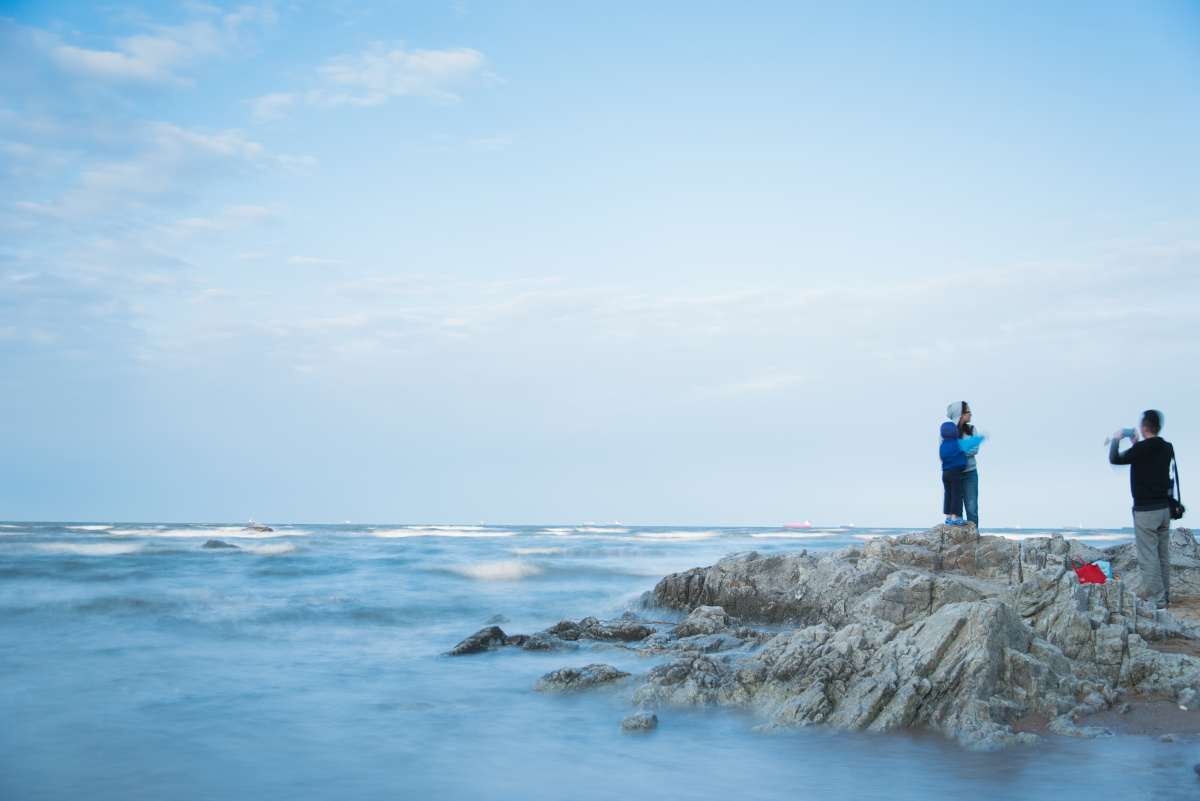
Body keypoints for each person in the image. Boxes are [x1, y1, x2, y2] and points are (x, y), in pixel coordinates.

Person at [1110, 410, 1175, 609]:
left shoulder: (1141, 450)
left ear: (1144, 427)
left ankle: (1156, 601)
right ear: (1159, 427)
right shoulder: (1167, 447)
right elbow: (1150, 460)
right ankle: (1165, 597)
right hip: (1164, 509)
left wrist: (1116, 439)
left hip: (1146, 511)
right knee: (1162, 555)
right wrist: (1137, 444)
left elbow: (1116, 459)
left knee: (1148, 557)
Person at [941, 422, 984, 526]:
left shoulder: (943, 445)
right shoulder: (957, 443)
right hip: (955, 473)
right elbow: (970, 443)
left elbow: (941, 457)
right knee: (956, 495)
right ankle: (955, 518)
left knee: (948, 495)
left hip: (945, 473)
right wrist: (982, 437)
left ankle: (948, 517)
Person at [947, 401, 982, 527]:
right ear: (960, 414)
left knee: (972, 508)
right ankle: (959, 538)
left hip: (970, 472)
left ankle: (974, 536)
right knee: (956, 507)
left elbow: (975, 449)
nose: (970, 414)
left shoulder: (972, 429)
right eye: (968, 411)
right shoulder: (947, 430)